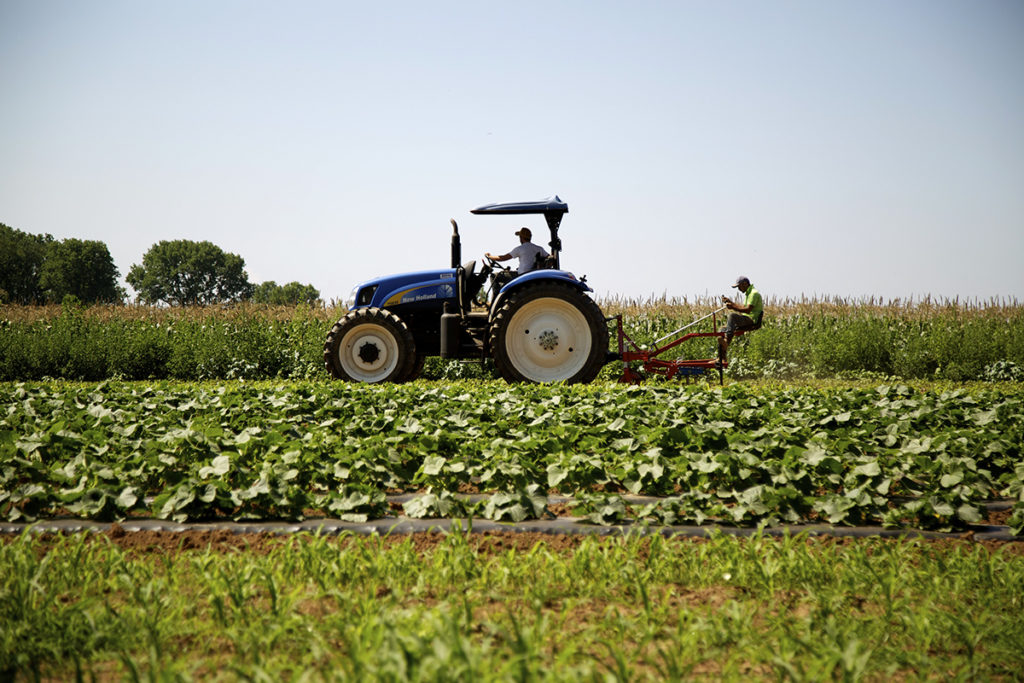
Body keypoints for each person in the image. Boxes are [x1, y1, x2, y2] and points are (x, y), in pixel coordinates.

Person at [718, 276, 763, 361]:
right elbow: (742, 307)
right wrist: (731, 302)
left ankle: (727, 342)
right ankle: (721, 358)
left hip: (751, 320)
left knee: (732, 316)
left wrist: (732, 307)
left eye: (739, 286)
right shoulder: (748, 294)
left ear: (745, 284)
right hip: (746, 318)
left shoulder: (754, 294)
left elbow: (747, 310)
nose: (738, 289)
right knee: (722, 331)